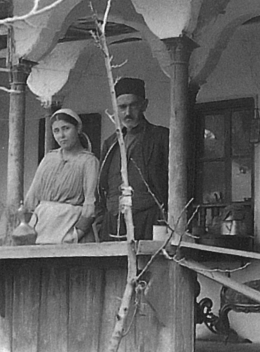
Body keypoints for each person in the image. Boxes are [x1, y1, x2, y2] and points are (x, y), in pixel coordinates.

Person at [97, 77, 169, 241]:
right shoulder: (110, 144)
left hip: (148, 219)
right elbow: (102, 186)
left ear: (144, 105)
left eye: (133, 105)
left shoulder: (160, 137)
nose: (127, 113)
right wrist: (101, 220)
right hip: (114, 222)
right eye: (122, 107)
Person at [23, 108, 99, 244]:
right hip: (41, 230)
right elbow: (32, 198)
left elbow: (90, 205)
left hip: (70, 231)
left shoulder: (88, 161)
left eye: (66, 128)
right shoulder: (49, 158)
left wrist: (76, 234)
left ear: (78, 128)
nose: (61, 135)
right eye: (56, 131)